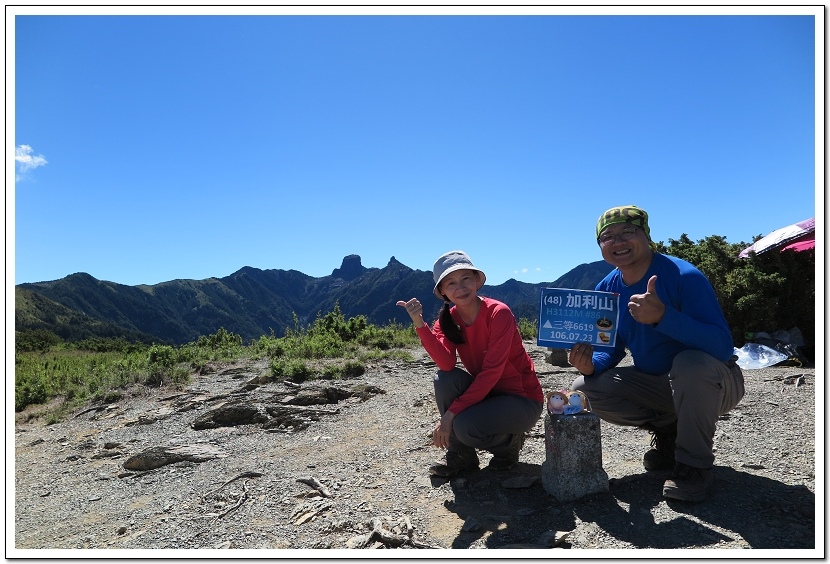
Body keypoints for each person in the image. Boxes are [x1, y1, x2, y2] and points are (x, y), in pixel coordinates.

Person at [569, 205, 745, 502]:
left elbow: (721, 346)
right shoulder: (607, 288)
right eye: (608, 237)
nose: (619, 241)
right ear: (600, 246)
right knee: (584, 389)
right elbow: (609, 350)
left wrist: (663, 316)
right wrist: (590, 365)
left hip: (715, 381)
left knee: (689, 363)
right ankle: (670, 432)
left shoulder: (683, 276)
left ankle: (693, 466)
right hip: (661, 386)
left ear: (646, 236)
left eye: (628, 232)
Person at [396, 250, 544, 478]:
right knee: (445, 379)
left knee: (463, 425)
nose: (460, 287)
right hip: (490, 395)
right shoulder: (448, 320)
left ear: (476, 280)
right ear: (443, 292)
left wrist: (449, 415)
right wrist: (419, 323)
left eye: (466, 278)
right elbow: (446, 364)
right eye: (451, 283)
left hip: (522, 400)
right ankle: (461, 456)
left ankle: (509, 444)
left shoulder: (498, 313)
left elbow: (491, 373)